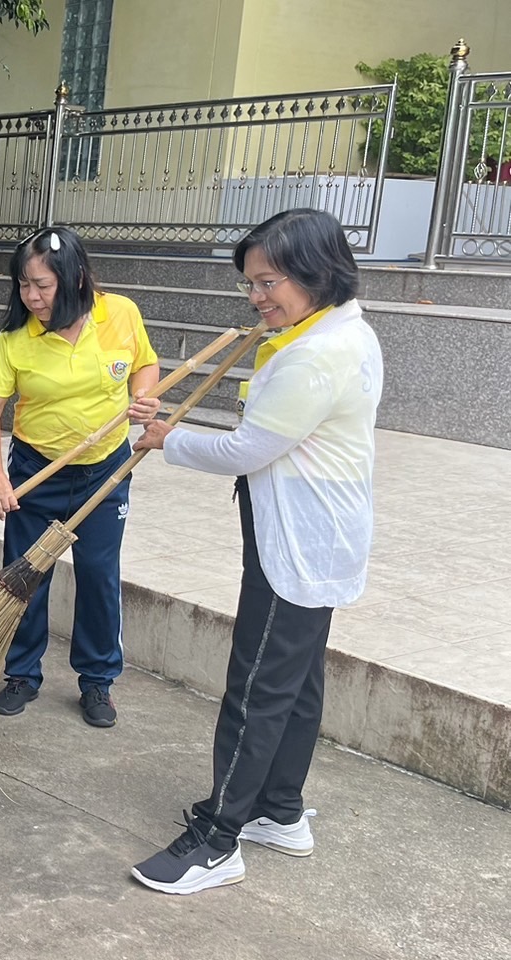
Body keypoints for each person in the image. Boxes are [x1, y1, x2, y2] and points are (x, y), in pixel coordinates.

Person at [129, 208, 382, 895]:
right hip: (321, 533)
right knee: (295, 684)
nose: (257, 298)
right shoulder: (337, 330)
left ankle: (218, 837)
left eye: (268, 282)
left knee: (256, 690)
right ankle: (280, 811)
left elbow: (249, 449)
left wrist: (164, 439)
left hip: (296, 542)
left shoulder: (314, 354)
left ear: (315, 272)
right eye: (251, 284)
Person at [0, 226, 161, 728]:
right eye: (23, 284)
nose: (32, 296)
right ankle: (21, 674)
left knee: (99, 577)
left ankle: (98, 683)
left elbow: (145, 363)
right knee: (26, 574)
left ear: (75, 277)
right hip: (38, 471)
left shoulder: (119, 313)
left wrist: (146, 397)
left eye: (43, 285)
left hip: (106, 469)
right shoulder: (16, 339)